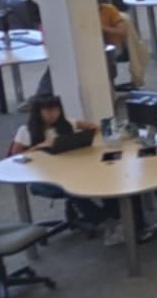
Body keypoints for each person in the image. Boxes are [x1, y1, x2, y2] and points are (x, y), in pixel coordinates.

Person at [10, 95, 137, 245]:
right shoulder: (25, 131)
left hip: (68, 170)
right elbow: (14, 157)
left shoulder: (66, 123)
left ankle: (116, 216)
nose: (53, 114)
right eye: (48, 110)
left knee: (104, 177)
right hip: (43, 178)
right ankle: (106, 221)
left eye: (56, 109)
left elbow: (94, 128)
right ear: (38, 112)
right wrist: (38, 147)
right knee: (73, 190)